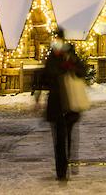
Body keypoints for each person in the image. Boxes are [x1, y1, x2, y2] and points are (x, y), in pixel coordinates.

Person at [34, 30, 88, 181]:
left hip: (71, 103)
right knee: (59, 139)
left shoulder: (70, 55)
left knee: (68, 137)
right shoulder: (51, 57)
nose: (56, 42)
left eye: (58, 39)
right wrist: (37, 95)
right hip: (56, 104)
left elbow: (82, 72)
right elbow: (45, 76)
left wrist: (71, 66)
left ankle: (68, 160)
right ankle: (61, 172)